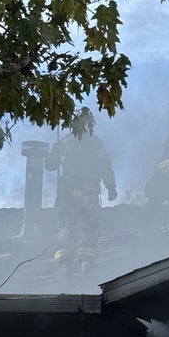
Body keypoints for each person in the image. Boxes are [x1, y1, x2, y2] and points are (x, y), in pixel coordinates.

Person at [45, 117, 117, 273]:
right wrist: (111, 187)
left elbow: (50, 165)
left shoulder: (64, 142)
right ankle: (86, 261)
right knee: (89, 225)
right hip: (89, 191)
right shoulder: (96, 142)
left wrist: (54, 150)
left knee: (65, 224)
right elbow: (106, 166)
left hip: (67, 192)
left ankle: (65, 262)